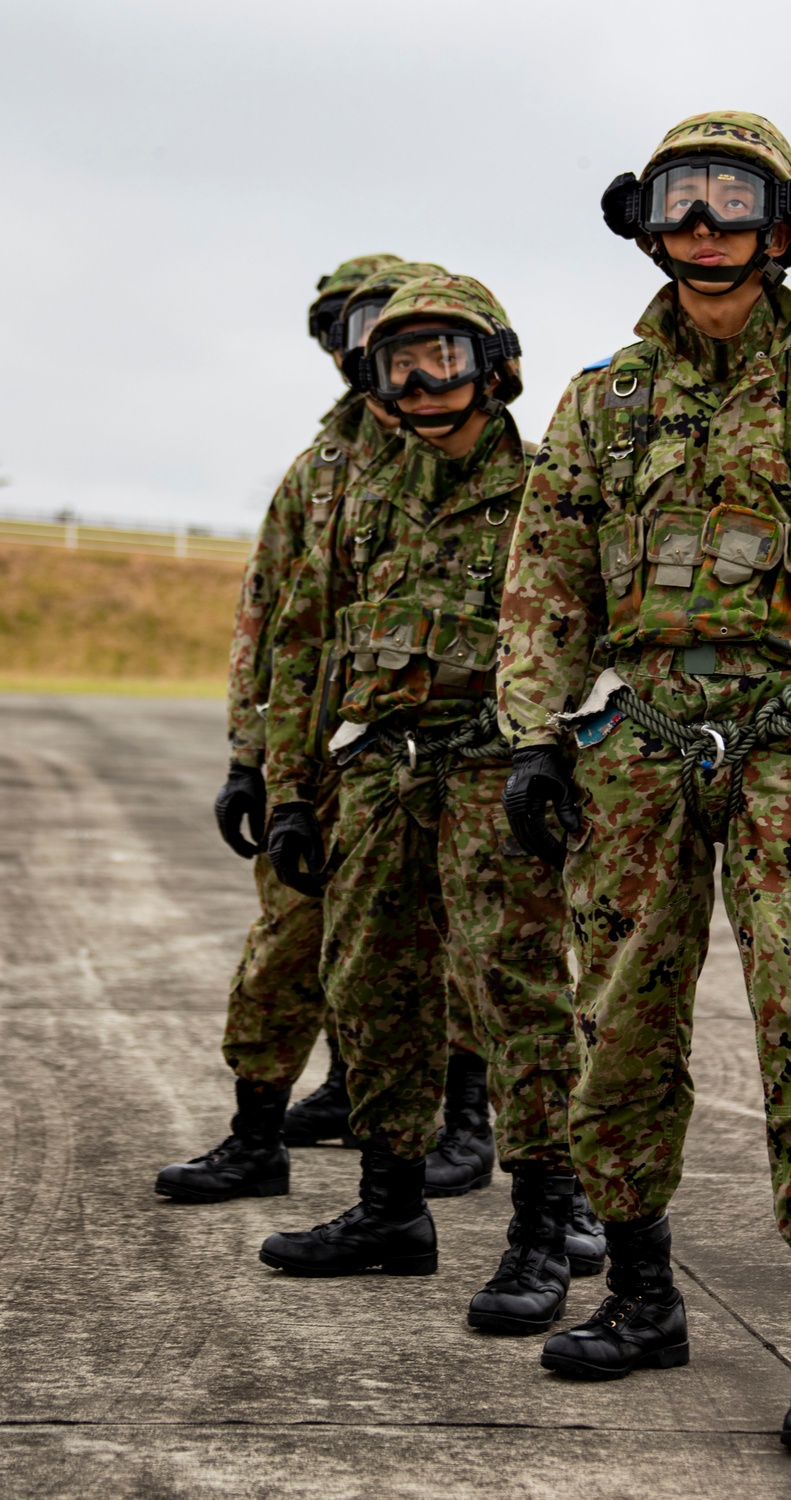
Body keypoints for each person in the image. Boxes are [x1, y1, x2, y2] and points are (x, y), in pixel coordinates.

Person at [496, 112, 791, 1455]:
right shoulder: (601, 402)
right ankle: (640, 1295)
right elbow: (547, 578)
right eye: (679, 198)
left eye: (729, 199)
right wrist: (533, 734)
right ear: (646, 221)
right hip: (636, 752)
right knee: (619, 1020)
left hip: (790, 751)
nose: (702, 223)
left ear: (780, 224)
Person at [258, 274, 605, 1328]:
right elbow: (306, 648)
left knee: (518, 1000)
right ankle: (389, 1211)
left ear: (493, 364)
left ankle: (544, 1229)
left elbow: (592, 644)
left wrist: (565, 765)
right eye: (396, 358)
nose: (419, 378)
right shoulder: (362, 493)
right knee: (369, 988)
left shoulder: (551, 488)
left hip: (499, 773)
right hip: (377, 776)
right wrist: (288, 789)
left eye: (442, 354)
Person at [154, 253, 413, 1201]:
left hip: (436, 753)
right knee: (287, 937)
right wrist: (248, 760)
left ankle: (459, 1128)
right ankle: (257, 1134)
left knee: (458, 955)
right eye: (346, 328)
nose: (369, 344)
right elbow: (269, 623)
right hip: (318, 750)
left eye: (385, 319)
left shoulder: (480, 457)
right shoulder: (322, 468)